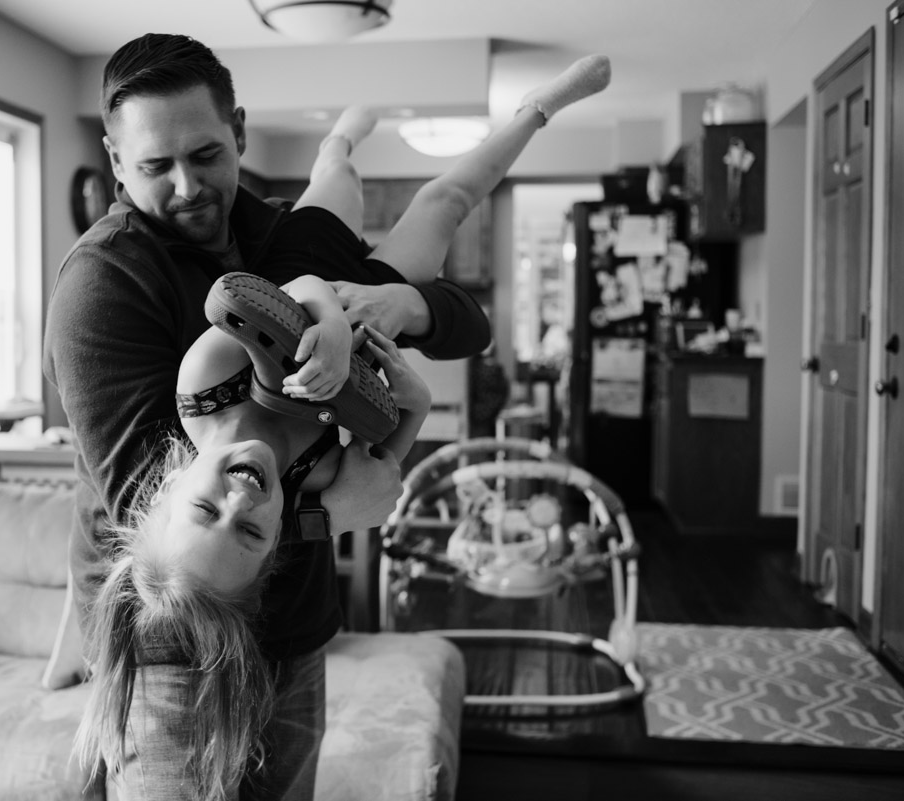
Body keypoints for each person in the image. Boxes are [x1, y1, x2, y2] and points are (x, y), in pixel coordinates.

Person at [54, 36, 611, 800]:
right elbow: (147, 511)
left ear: (240, 134)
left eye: (207, 154)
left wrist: (391, 308)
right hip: (172, 650)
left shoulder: (281, 239)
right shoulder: (103, 282)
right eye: (155, 166)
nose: (187, 185)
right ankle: (363, 135)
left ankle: (418, 127)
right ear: (117, 161)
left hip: (292, 629)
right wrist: (333, 504)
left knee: (370, 189)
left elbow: (464, 321)